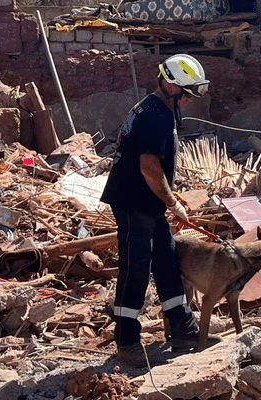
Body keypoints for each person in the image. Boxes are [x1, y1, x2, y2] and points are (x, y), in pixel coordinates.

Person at [100, 54, 218, 368]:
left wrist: (168, 195)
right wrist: (173, 203)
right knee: (135, 269)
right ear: (169, 85)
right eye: (187, 94)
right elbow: (149, 167)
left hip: (146, 200)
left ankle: (182, 329)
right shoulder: (156, 115)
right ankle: (126, 339)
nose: (189, 101)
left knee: (167, 261)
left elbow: (154, 170)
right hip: (133, 202)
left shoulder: (155, 108)